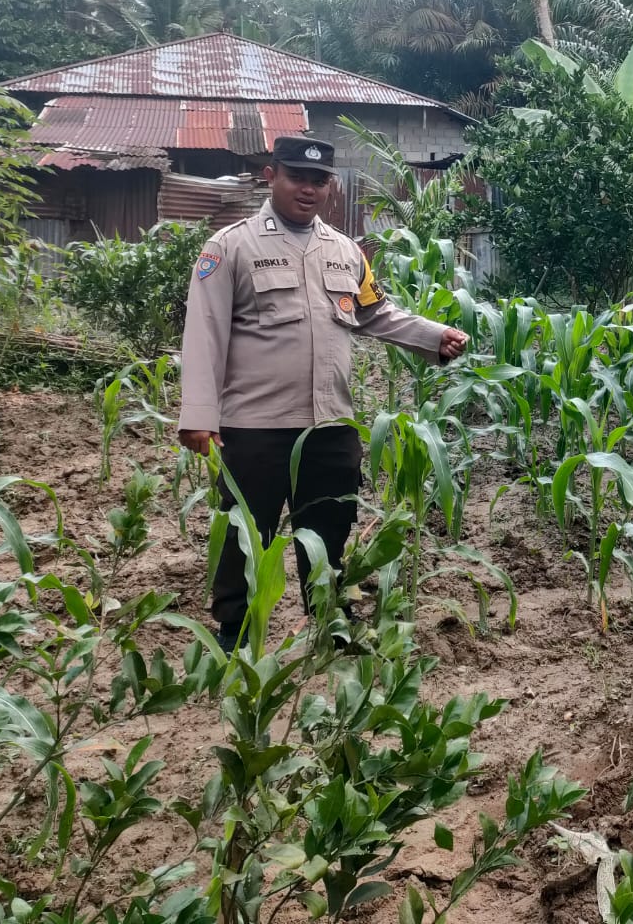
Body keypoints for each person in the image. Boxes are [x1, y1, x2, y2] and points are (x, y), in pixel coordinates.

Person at [179, 135, 469, 647]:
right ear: (271, 176)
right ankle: (236, 629)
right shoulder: (230, 247)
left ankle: (330, 618)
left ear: (330, 186)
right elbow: (204, 331)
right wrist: (199, 416)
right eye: (297, 177)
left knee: (331, 523)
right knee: (248, 530)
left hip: (330, 422)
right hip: (254, 425)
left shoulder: (345, 251)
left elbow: (374, 312)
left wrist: (433, 336)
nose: (308, 189)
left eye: (319, 180)